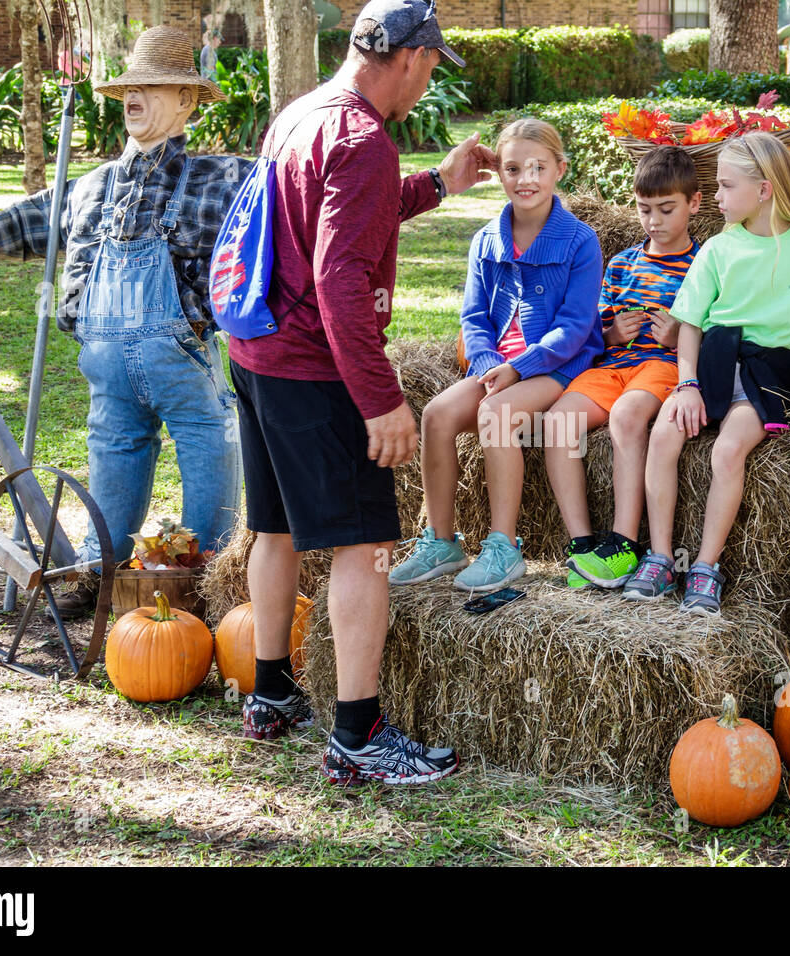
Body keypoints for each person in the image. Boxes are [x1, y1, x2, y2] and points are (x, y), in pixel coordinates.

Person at [226, 0, 497, 783]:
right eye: (433, 67)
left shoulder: (304, 112)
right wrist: (381, 399)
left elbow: (331, 218)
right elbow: (339, 272)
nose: (429, 82)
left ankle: (271, 692)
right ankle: (358, 734)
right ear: (412, 58)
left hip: (255, 351)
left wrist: (435, 187)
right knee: (367, 543)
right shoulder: (364, 139)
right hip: (315, 364)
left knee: (273, 527)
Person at [0, 26, 246, 618]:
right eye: (130, 87)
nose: (134, 97)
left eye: (152, 87)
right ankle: (100, 581)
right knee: (114, 459)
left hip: (181, 356)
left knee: (210, 447)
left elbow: (293, 210)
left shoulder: (221, 179)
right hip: (106, 372)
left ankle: (212, 589)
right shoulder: (93, 186)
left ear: (187, 100)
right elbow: (35, 221)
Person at [622, 132, 790, 615]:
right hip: (713, 362)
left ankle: (705, 567)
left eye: (725, 187)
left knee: (728, 451)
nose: (718, 198)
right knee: (665, 434)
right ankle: (661, 556)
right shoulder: (718, 251)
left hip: (769, 370)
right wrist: (686, 386)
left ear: (764, 190)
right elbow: (688, 327)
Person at [387, 118, 604, 594]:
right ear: (498, 173)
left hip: (557, 368)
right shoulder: (486, 240)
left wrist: (516, 369)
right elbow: (473, 318)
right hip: (497, 368)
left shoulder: (579, 241)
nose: (525, 179)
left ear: (559, 170)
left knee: (497, 413)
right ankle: (441, 541)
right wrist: (487, 366)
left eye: (538, 168)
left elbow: (573, 330)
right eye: (513, 168)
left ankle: (504, 546)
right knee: (439, 414)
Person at [542, 147, 701, 589]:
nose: (654, 221)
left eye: (666, 210)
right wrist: (612, 334)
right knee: (557, 421)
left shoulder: (703, 265)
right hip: (613, 366)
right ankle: (581, 544)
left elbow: (715, 332)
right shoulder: (622, 263)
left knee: (629, 415)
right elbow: (594, 327)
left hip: (662, 365)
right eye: (644, 209)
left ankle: (624, 543)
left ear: (695, 203)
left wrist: (678, 337)